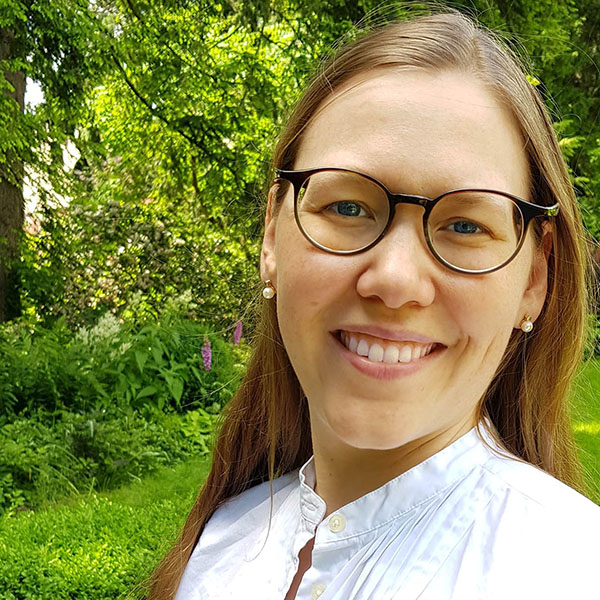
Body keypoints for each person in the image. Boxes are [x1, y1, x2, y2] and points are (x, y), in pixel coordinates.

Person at [149, 11, 600, 600]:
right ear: (271, 237)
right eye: (347, 208)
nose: (394, 279)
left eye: (465, 224)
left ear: (533, 280)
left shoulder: (572, 572)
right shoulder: (220, 545)